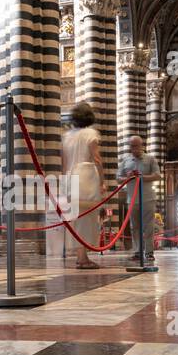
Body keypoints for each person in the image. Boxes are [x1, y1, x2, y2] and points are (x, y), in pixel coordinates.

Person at [61, 101, 103, 269]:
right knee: (88, 218)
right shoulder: (90, 133)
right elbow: (97, 158)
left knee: (77, 219)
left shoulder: (67, 136)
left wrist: (65, 184)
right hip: (86, 176)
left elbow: (64, 163)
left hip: (71, 177)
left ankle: (81, 255)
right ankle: (83, 258)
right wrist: (103, 181)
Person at [117, 135, 160, 263]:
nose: (134, 148)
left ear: (142, 146)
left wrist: (143, 177)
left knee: (149, 226)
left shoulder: (150, 159)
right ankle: (137, 251)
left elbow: (157, 175)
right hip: (132, 199)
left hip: (148, 199)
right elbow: (118, 178)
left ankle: (149, 252)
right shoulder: (125, 161)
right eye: (132, 146)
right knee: (134, 227)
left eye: (136, 146)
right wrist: (128, 177)